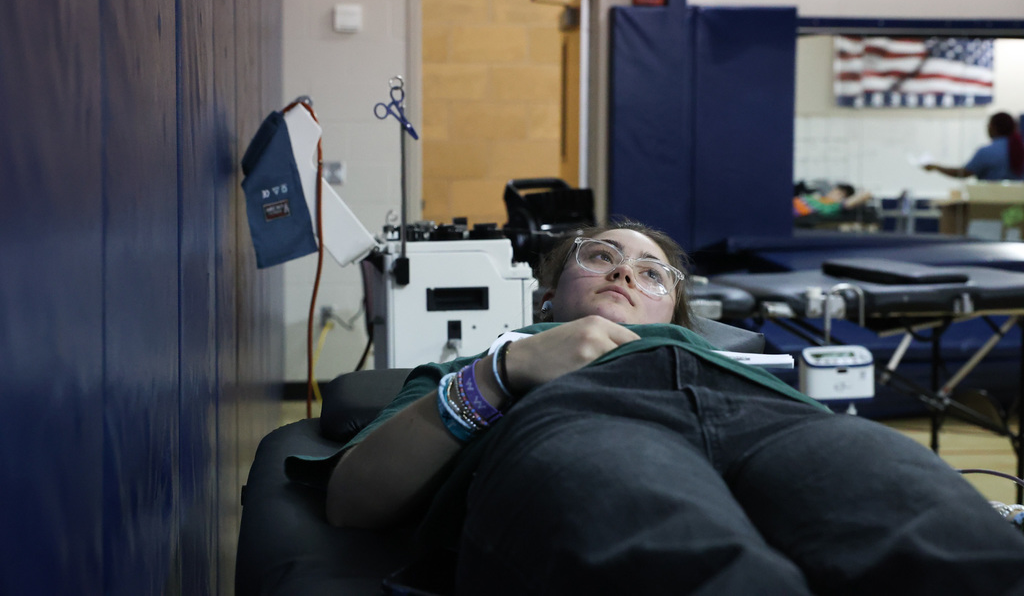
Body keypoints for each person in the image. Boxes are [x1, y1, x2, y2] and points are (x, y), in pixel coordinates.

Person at [288, 220, 1024, 595]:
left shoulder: (738, 360)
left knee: (940, 531)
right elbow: (353, 500)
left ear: (675, 310)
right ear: (547, 298)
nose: (623, 272)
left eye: (651, 272)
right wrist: (503, 372)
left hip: (766, 415)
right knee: (688, 560)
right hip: (578, 418)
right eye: (600, 257)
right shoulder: (483, 370)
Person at [925, 111, 1024, 181]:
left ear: (994, 127)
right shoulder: (1020, 148)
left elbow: (963, 173)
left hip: (991, 201)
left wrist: (936, 167)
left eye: (988, 125)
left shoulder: (986, 152)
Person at [793, 182, 873, 218]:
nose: (833, 193)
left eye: (840, 194)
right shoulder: (816, 196)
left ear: (843, 198)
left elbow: (866, 195)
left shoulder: (834, 206)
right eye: (835, 190)